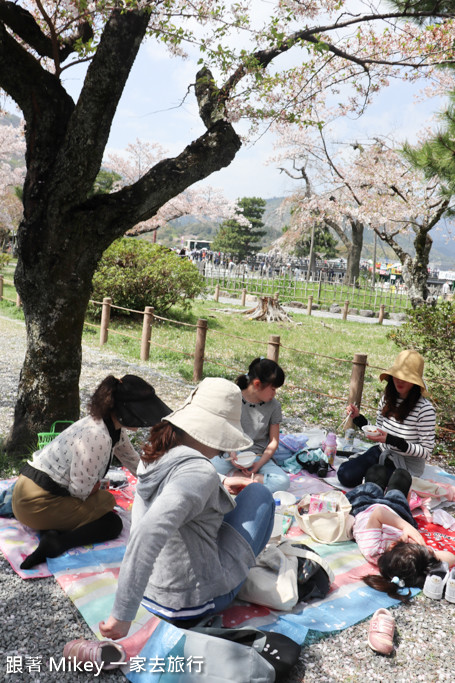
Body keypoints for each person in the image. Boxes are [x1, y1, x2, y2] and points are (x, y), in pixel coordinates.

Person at [99, 377, 274, 639]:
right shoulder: (200, 473)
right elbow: (149, 532)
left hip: (151, 590)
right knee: (260, 495)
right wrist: (122, 615)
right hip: (191, 602)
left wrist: (222, 481)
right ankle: (229, 582)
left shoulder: (156, 451)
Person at [12, 374, 171, 569]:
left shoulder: (110, 427)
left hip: (27, 491)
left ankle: (51, 530)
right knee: (111, 519)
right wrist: (97, 485)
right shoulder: (99, 436)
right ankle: (56, 544)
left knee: (104, 499)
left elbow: (133, 461)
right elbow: (80, 492)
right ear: (124, 410)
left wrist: (163, 480)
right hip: (34, 502)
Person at [347, 465, 455, 601]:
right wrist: (430, 554)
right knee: (401, 476)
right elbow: (451, 558)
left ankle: (379, 479)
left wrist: (406, 529)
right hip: (397, 512)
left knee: (375, 478)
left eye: (404, 541)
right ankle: (392, 480)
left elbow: (378, 513)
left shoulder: (373, 549)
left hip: (365, 508)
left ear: (392, 546)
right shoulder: (414, 561)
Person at [337, 350, 436, 488]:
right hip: (382, 451)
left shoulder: (425, 409)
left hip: (405, 463)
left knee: (374, 480)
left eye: (406, 377)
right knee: (345, 474)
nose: (399, 380)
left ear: (415, 382)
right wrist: (358, 418)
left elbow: (426, 451)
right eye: (397, 375)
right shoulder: (387, 399)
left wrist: (392, 440)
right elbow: (379, 431)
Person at [212, 357, 289, 493]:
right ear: (257, 384)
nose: (274, 393)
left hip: (257, 456)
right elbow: (224, 428)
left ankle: (236, 479)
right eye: (272, 388)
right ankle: (247, 480)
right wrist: (232, 451)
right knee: (204, 469)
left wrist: (258, 464)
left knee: (283, 482)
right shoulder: (233, 397)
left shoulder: (274, 406)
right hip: (231, 454)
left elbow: (273, 442)